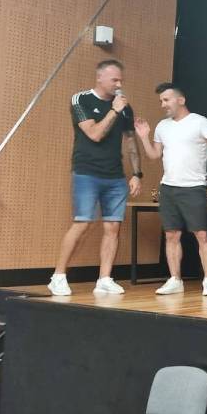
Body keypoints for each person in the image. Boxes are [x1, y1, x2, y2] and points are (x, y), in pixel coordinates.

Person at [49, 59, 142, 296]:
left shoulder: (125, 108)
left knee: (113, 227)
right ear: (99, 77)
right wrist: (114, 110)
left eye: (121, 80)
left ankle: (105, 278)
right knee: (82, 223)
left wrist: (137, 173)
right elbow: (94, 134)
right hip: (87, 173)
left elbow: (131, 141)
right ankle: (58, 277)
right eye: (114, 80)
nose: (119, 84)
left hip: (115, 176)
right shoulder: (81, 99)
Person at [133, 83, 207, 295]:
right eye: (161, 101)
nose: (162, 104)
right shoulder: (162, 126)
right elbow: (154, 155)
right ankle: (175, 279)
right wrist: (144, 136)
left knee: (201, 234)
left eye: (166, 100)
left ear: (181, 100)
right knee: (171, 235)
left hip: (193, 187)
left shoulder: (200, 122)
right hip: (168, 188)